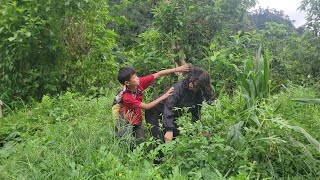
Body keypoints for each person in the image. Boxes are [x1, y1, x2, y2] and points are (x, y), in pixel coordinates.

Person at [114, 64, 190, 147]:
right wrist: (164, 96)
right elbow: (147, 106)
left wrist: (177, 69)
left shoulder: (139, 83)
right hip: (125, 119)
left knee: (140, 141)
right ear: (127, 83)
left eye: (136, 76)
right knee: (125, 142)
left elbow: (158, 74)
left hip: (136, 118)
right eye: (134, 78)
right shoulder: (127, 97)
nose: (137, 78)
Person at [145, 66, 213, 143]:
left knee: (176, 137)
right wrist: (169, 130)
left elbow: (196, 114)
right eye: (191, 82)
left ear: (201, 86)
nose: (191, 85)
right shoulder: (178, 89)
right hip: (155, 111)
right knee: (159, 139)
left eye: (194, 84)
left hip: (173, 115)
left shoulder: (198, 95)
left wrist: (199, 129)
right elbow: (169, 107)